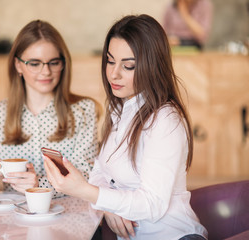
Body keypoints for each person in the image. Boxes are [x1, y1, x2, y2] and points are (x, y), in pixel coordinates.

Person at [44, 14, 208, 240]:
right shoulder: (120, 109)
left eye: (128, 66)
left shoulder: (165, 119)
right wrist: (107, 205)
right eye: (110, 61)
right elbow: (100, 173)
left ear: (152, 66)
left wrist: (87, 192)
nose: (113, 74)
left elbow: (152, 205)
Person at [0, 20, 99, 198]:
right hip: (15, 217)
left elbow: (88, 175)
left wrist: (39, 185)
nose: (45, 72)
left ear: (63, 64)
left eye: (53, 62)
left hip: (69, 215)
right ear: (18, 65)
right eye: (35, 64)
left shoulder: (83, 110)